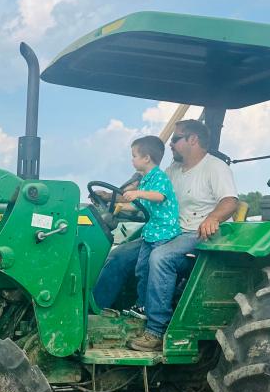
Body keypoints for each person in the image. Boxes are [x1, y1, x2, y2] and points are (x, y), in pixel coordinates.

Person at [92, 119, 239, 350]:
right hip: (168, 230)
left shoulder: (215, 167)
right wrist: (111, 196)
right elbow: (147, 195)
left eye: (175, 139)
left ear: (193, 139)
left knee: (160, 257)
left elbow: (230, 201)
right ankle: (95, 312)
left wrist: (213, 218)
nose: (170, 145)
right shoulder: (172, 171)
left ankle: (156, 330)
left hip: (198, 232)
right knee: (119, 255)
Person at [119, 136, 181, 349]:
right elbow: (141, 206)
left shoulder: (159, 178)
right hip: (151, 231)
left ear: (146, 157)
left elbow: (159, 197)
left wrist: (137, 192)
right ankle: (142, 306)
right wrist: (117, 207)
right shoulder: (145, 179)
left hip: (164, 232)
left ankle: (155, 320)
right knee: (141, 269)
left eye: (134, 156)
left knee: (155, 269)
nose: (132, 160)